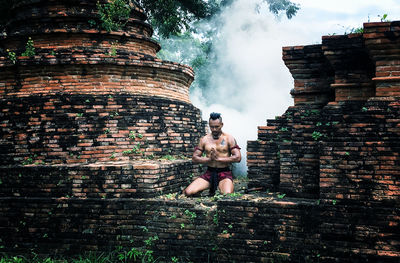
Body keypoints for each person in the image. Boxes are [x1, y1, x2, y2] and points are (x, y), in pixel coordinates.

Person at [183, 112, 241, 196]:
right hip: (209, 173)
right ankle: (205, 188)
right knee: (188, 192)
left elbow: (238, 157)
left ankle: (224, 185)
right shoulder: (204, 139)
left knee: (227, 195)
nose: (214, 129)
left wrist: (218, 159)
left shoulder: (229, 138)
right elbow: (194, 158)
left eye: (216, 127)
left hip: (224, 173)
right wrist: (209, 159)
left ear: (221, 125)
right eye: (211, 127)